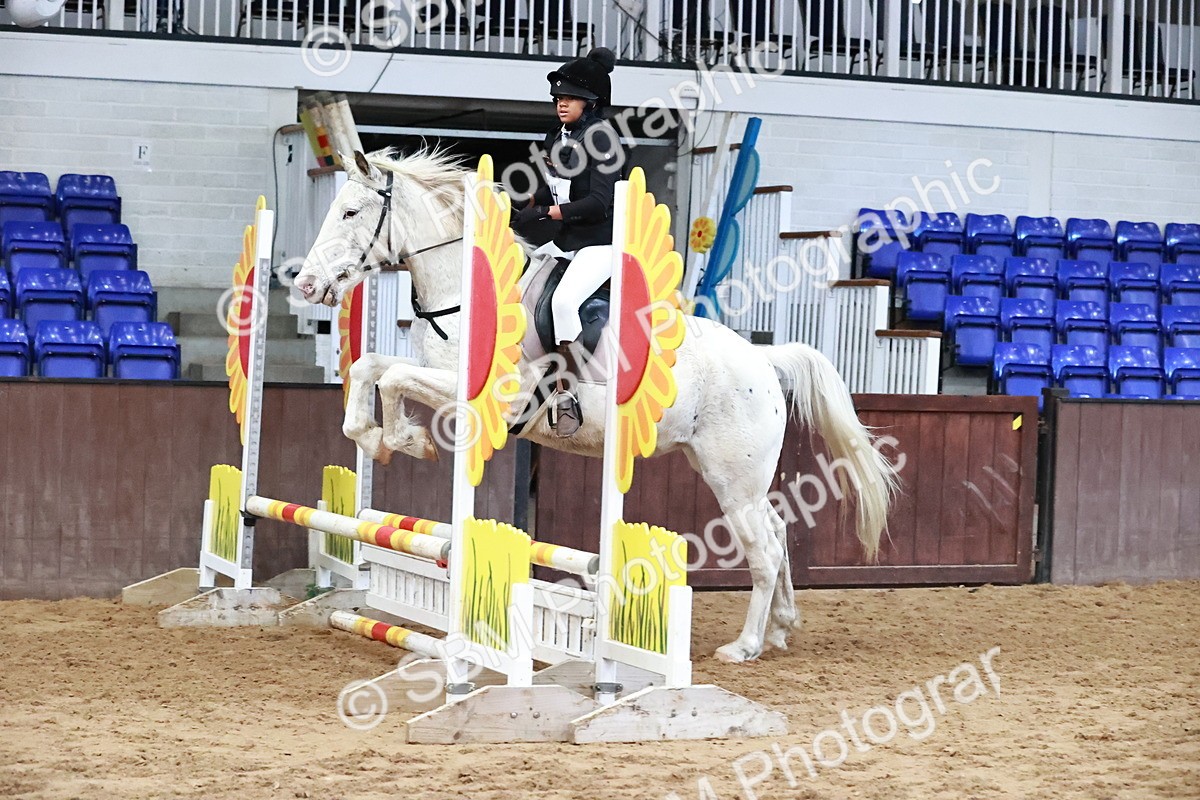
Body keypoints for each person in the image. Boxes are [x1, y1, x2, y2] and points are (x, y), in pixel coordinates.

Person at [512, 47, 624, 438]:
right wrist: (526, 207)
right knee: (518, 281)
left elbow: (597, 203)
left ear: (591, 103)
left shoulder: (604, 139)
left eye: (570, 98)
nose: (562, 104)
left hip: (603, 243)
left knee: (563, 301)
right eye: (559, 98)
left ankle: (566, 395)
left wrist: (547, 215)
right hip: (569, 241)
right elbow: (553, 190)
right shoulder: (557, 135)